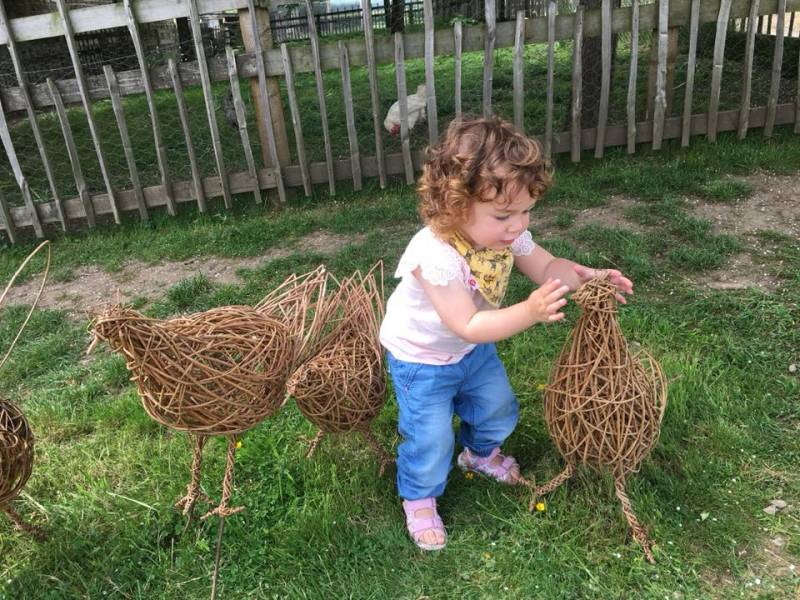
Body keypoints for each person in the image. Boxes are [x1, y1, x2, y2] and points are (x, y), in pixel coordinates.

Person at [379, 116, 634, 551]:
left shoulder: (506, 236)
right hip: (422, 360)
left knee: (496, 406)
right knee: (429, 436)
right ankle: (419, 497)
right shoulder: (433, 255)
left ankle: (478, 454)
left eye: (525, 211)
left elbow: (548, 266)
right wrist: (530, 311)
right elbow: (467, 323)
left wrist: (588, 277)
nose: (518, 225)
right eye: (504, 215)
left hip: (472, 351)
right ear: (456, 205)